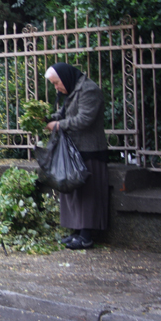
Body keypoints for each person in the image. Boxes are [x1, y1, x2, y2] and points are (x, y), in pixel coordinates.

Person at [45, 63, 109, 250]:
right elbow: (64, 113)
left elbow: (84, 119)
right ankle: (76, 232)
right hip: (74, 150)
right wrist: (46, 118)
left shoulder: (89, 90)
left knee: (87, 194)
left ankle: (86, 236)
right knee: (72, 193)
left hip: (90, 150)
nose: (56, 88)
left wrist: (57, 126)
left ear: (65, 77)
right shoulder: (73, 90)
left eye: (57, 83)